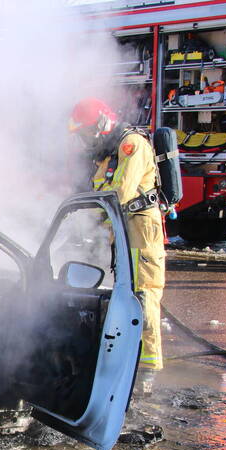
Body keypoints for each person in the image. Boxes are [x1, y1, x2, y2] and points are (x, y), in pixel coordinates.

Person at [70, 97, 165, 391]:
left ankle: (147, 370)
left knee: (144, 295)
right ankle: (127, 361)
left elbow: (118, 194)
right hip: (122, 230)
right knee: (124, 294)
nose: (86, 140)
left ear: (102, 123)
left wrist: (91, 216)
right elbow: (99, 194)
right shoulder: (108, 155)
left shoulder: (131, 145)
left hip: (139, 229)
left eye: (87, 132)